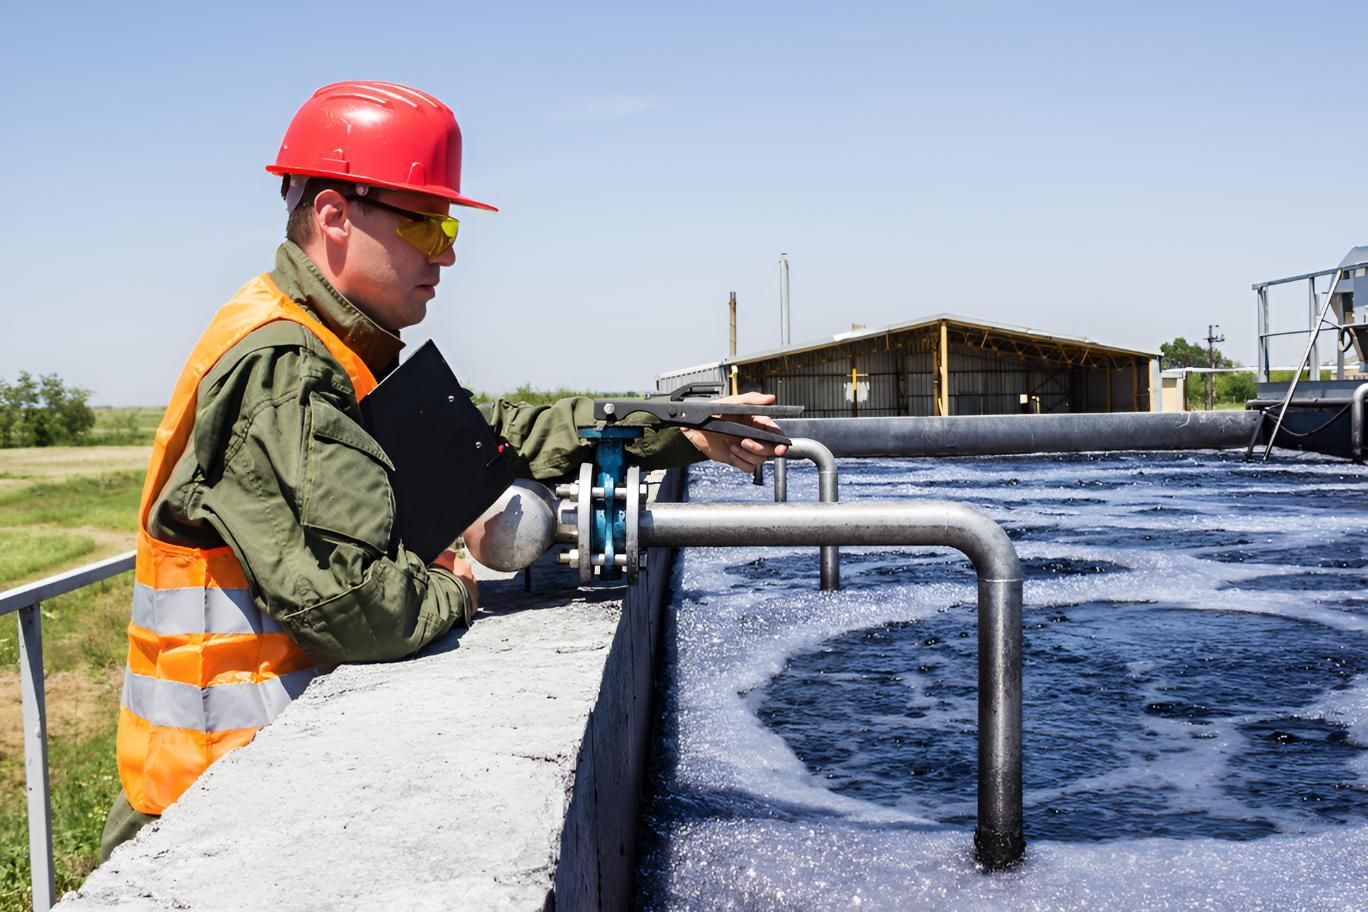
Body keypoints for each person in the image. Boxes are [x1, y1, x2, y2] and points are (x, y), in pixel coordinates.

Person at [102, 80, 786, 857]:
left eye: (448, 227)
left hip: (261, 793)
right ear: (333, 215)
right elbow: (353, 605)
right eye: (426, 228)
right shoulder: (285, 367)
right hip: (204, 819)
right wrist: (452, 587)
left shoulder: (335, 351)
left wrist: (674, 431)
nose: (449, 253)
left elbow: (496, 440)